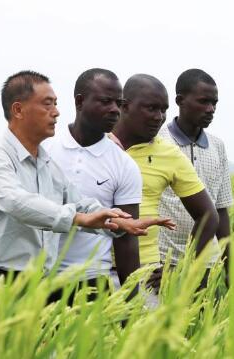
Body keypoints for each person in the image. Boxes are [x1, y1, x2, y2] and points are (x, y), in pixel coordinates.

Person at [0, 71, 147, 314]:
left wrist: (119, 222)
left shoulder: (45, 163)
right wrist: (77, 218)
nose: (56, 112)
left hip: (34, 284)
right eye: (47, 104)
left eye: (56, 104)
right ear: (18, 110)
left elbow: (79, 203)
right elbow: (16, 202)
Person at [44, 68, 175, 304]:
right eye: (106, 101)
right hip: (37, 278)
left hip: (91, 282)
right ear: (80, 101)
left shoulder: (123, 164)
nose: (115, 109)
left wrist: (131, 302)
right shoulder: (45, 150)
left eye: (119, 102)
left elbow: (126, 238)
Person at [111, 74, 219, 304]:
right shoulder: (98, 146)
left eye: (163, 110)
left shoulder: (169, 154)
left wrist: (184, 267)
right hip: (90, 270)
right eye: (151, 108)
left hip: (145, 272)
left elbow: (209, 215)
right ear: (124, 106)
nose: (158, 117)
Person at [158, 69, 234, 285]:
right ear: (180, 100)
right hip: (163, 262)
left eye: (214, 103)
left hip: (205, 263)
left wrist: (229, 267)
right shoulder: (157, 141)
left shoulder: (217, 146)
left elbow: (221, 210)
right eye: (203, 101)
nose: (211, 109)